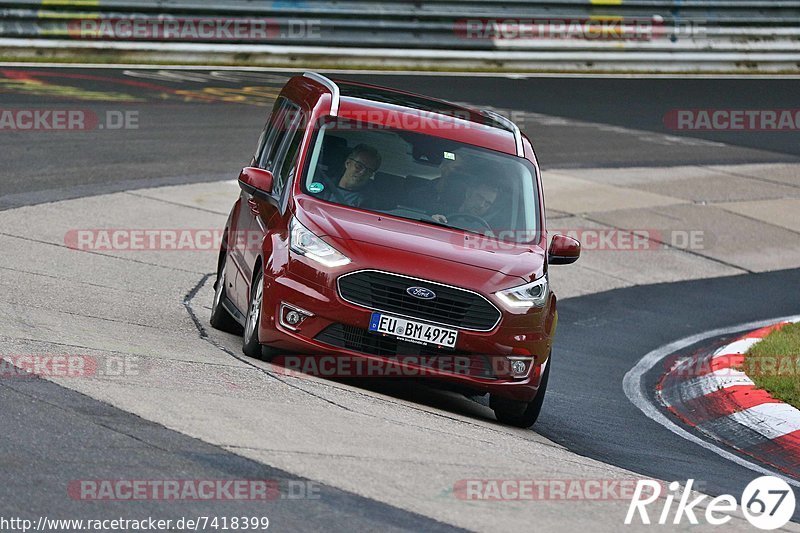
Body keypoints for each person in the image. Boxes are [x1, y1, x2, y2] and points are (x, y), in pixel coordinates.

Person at [314, 144, 382, 208]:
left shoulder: (371, 204)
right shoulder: (319, 186)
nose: (362, 172)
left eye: (368, 170)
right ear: (348, 163)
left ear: (371, 175)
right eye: (359, 166)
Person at [431, 180, 499, 231]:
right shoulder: (440, 210)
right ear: (469, 193)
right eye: (479, 198)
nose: (481, 205)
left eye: (487, 203)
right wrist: (432, 222)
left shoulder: (489, 231)